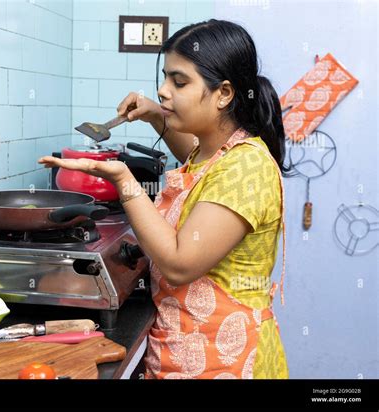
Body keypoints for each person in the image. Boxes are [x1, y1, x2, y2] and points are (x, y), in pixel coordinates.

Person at [39, 19, 289, 379]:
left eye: (179, 81)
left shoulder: (247, 167)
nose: (163, 90)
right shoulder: (214, 151)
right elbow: (200, 168)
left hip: (226, 361)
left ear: (224, 93)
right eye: (164, 77)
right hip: (183, 348)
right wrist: (158, 116)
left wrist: (124, 179)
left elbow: (179, 263)